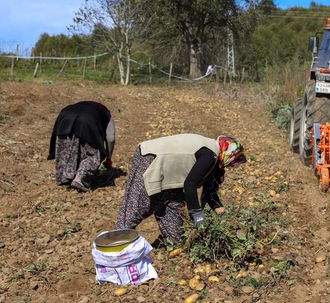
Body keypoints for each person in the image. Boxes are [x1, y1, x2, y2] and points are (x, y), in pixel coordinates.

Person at [115, 133, 246, 245]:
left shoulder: (215, 162)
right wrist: (198, 217)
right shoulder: (210, 155)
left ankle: (171, 243)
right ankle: (115, 249)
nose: (232, 166)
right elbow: (190, 184)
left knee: (176, 237)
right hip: (150, 158)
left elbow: (210, 194)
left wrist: (225, 217)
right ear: (230, 153)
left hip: (172, 177)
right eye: (234, 161)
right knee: (137, 208)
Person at [48, 101, 115, 192]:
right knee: (92, 154)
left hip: (65, 116)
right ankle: (80, 179)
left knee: (65, 148)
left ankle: (65, 177)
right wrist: (108, 158)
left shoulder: (82, 105)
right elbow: (110, 138)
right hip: (86, 122)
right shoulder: (106, 113)